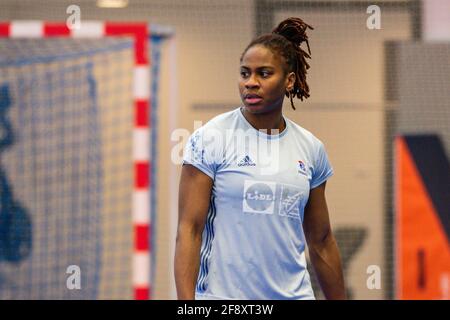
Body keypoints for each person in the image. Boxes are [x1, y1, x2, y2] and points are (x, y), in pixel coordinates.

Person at [175, 17, 346, 300]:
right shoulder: (210, 138)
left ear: (289, 80)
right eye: (245, 73)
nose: (250, 83)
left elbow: (321, 240)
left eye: (264, 74)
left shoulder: (311, 148)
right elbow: (189, 230)